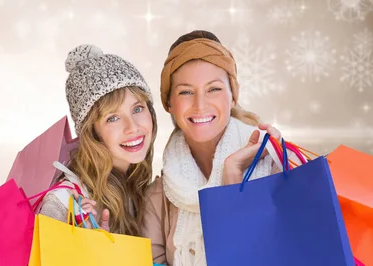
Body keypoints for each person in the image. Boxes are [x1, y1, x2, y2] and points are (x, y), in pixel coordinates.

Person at [142, 30, 288, 265]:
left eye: (214, 89)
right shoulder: (158, 198)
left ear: (233, 96)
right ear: (169, 103)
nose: (200, 105)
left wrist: (232, 180)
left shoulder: (277, 168)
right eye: (186, 92)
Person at [37, 44, 157, 236]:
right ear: (91, 132)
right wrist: (86, 249)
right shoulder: (63, 203)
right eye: (112, 118)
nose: (133, 127)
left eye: (137, 109)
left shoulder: (139, 187)